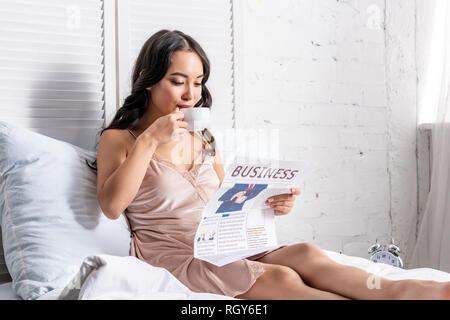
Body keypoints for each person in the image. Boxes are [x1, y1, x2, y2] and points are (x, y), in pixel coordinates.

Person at [92, 29, 450, 299]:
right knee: (282, 279)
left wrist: (271, 202)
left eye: (198, 83)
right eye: (177, 82)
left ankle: (406, 291)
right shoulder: (120, 140)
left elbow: (225, 202)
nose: (191, 95)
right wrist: (152, 138)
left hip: (223, 242)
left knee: (306, 254)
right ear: (146, 79)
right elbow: (111, 206)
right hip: (176, 254)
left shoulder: (204, 137)